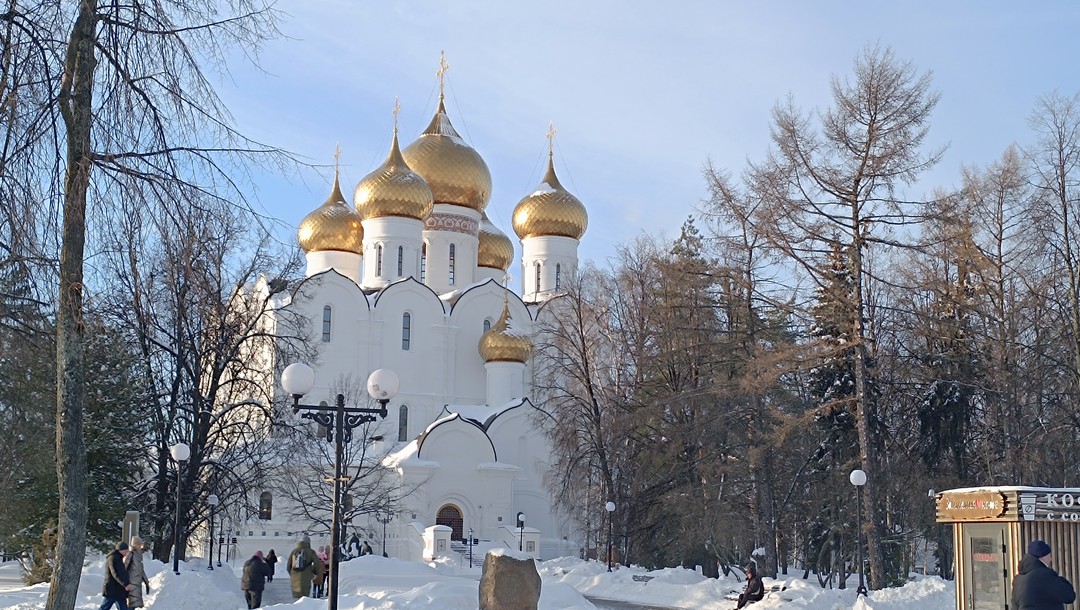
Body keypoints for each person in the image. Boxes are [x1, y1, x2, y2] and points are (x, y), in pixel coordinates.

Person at [1012, 539, 1076, 610]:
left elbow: (1014, 607)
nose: (1050, 559)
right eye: (1049, 555)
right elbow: (1069, 596)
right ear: (1042, 556)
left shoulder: (1018, 579)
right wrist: (1060, 579)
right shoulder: (1045, 575)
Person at [99, 541, 135, 610]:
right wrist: (126, 584)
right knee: (105, 607)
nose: (127, 552)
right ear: (122, 550)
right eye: (126, 550)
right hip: (113, 589)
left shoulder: (118, 558)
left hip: (118, 590)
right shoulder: (113, 558)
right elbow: (116, 574)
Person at [125, 537, 150, 609]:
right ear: (135, 544)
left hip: (137, 583)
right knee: (133, 603)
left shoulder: (139, 555)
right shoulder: (131, 554)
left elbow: (141, 570)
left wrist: (146, 582)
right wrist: (124, 582)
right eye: (139, 544)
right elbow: (125, 567)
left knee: (137, 603)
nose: (141, 547)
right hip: (132, 582)